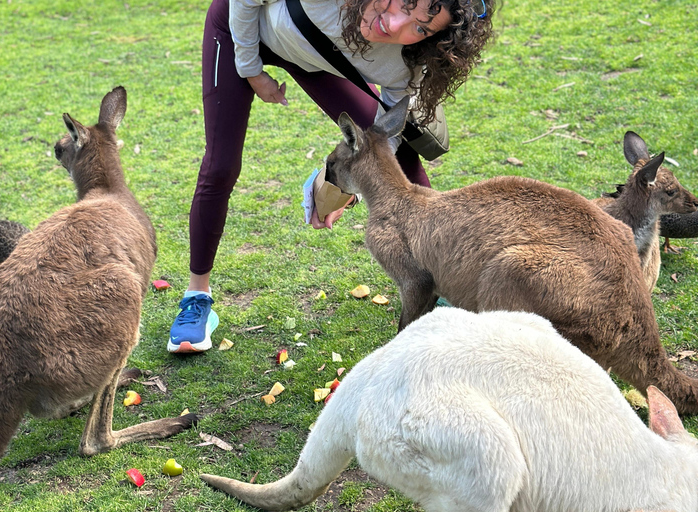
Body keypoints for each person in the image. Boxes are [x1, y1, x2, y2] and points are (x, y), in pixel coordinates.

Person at [166, 0, 495, 353]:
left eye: (421, 27)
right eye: (405, 1)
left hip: (312, 55)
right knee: (221, 165)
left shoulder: (405, 63)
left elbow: (382, 146)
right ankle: (196, 296)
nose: (395, 24)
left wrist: (347, 187)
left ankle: (441, 282)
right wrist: (251, 70)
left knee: (400, 156)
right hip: (245, 29)